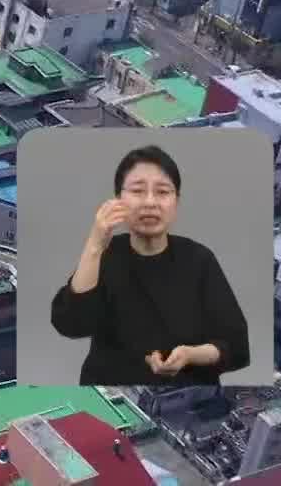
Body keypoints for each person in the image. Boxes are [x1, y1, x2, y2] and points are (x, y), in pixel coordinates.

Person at [49, 145, 250, 386]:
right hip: (114, 390)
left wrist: (190, 355)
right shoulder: (106, 255)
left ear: (177, 201)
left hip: (188, 395)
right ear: (118, 200)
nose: (150, 202)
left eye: (163, 192)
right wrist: (95, 243)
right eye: (137, 191)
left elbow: (237, 346)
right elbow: (70, 324)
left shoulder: (198, 259)